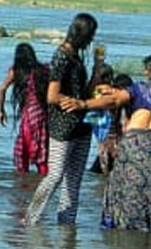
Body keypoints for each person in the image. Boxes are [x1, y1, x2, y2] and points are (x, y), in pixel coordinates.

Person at [76, 72, 151, 231]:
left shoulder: (133, 94)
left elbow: (103, 111)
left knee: (121, 190)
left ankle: (122, 224)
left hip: (125, 148)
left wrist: (82, 104)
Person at [26, 13, 98, 225]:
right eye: (90, 35)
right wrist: (74, 102)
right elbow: (52, 96)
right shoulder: (62, 56)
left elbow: (84, 93)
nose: (92, 40)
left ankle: (67, 227)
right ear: (81, 34)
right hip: (62, 126)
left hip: (81, 124)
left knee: (74, 181)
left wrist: (96, 72)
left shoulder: (77, 56)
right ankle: (31, 219)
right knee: (55, 175)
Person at [0, 43, 50, 175]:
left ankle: (23, 185)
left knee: (23, 152)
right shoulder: (42, 70)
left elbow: (2, 89)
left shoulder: (16, 71)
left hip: (28, 115)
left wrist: (1, 110)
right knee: (40, 151)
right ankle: (43, 181)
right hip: (42, 114)